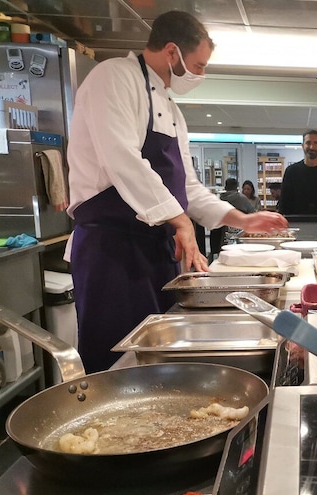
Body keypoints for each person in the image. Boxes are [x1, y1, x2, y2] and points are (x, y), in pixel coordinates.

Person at [65, 10, 287, 373]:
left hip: (155, 251)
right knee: (116, 360)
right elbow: (123, 161)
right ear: (172, 52)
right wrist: (180, 220)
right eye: (198, 65)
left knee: (157, 356)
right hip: (113, 252)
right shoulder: (114, 78)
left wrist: (242, 218)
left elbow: (185, 186)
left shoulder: (170, 107)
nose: (200, 74)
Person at [278, 130, 317, 215]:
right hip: (297, 223)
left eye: (315, 143)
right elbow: (283, 204)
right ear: (303, 146)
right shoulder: (291, 171)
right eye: (308, 143)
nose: (311, 147)